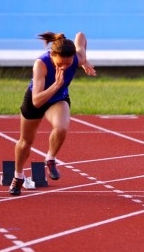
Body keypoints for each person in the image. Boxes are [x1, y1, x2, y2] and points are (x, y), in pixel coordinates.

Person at [9, 31, 96, 196]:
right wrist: (56, 85)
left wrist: (85, 61)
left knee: (62, 128)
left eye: (68, 64)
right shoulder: (41, 64)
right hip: (37, 98)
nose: (64, 67)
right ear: (52, 56)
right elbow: (36, 101)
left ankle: (50, 158)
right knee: (26, 142)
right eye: (59, 64)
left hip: (58, 99)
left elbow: (81, 36)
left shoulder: (78, 58)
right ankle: (18, 176)